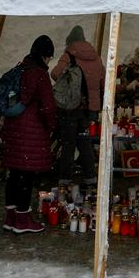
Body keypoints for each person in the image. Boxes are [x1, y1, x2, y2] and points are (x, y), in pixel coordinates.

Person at [0, 35, 58, 234]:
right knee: (26, 176)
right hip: (30, 133)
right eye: (49, 57)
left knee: (14, 175)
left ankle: (11, 218)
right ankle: (23, 220)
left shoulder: (21, 68)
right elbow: (48, 107)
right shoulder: (39, 75)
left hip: (13, 129)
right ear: (45, 55)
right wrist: (52, 126)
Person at [51, 25, 105, 186]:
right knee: (84, 142)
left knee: (68, 143)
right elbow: (102, 82)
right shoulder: (96, 57)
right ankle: (90, 177)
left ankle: (65, 179)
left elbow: (54, 74)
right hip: (90, 109)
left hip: (71, 107)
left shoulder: (69, 55)